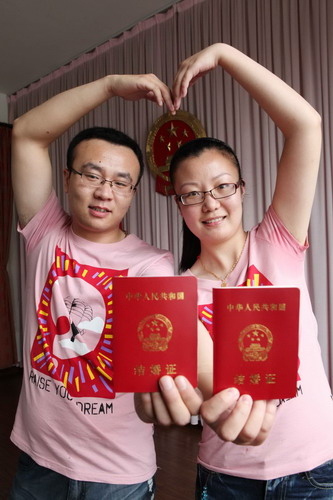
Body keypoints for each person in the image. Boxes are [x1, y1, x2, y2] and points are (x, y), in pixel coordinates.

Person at [139, 43, 333, 498]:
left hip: (316, 467)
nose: (210, 202)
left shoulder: (277, 243)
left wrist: (226, 56)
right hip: (228, 478)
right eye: (191, 193)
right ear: (178, 204)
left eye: (222, 186)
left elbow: (306, 126)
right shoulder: (175, 292)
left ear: (242, 190)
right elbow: (191, 393)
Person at [9, 74, 179, 499]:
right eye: (92, 175)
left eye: (121, 182)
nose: (105, 192)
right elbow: (27, 135)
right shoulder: (46, 231)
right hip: (39, 458)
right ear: (66, 179)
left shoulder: (151, 265)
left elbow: (158, 361)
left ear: (132, 194)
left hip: (116, 471)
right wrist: (108, 86)